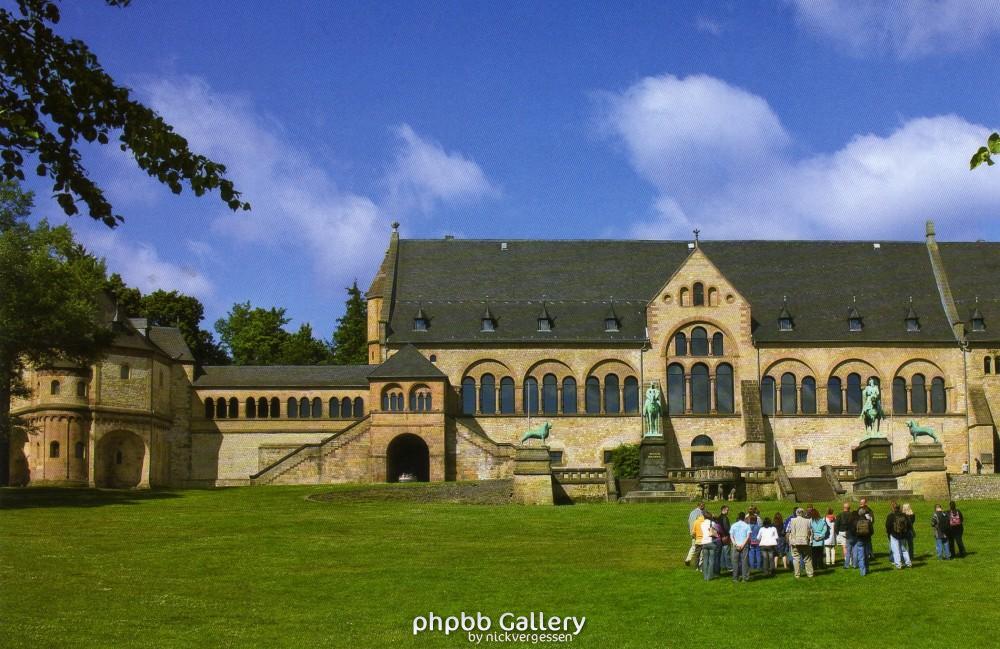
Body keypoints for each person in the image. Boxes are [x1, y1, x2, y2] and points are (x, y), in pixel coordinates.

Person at [885, 502, 913, 569]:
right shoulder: (904, 515)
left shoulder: (890, 516)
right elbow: (909, 525)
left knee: (896, 550)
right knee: (904, 550)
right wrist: (906, 532)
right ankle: (908, 563)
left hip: (894, 535)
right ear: (899, 508)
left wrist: (889, 533)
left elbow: (887, 526)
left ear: (892, 508)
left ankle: (898, 564)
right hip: (903, 535)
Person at [788, 507, 814, 578]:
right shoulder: (807, 521)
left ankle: (797, 574)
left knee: (796, 558)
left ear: (796, 513)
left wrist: (792, 541)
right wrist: (810, 540)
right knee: (807, 559)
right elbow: (810, 532)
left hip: (795, 542)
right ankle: (810, 574)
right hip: (805, 541)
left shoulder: (792, 520)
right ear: (803, 513)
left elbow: (791, 531)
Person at [729, 512, 752, 583]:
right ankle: (745, 578)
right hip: (744, 545)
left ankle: (735, 578)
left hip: (735, 545)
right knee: (744, 562)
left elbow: (731, 536)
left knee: (735, 562)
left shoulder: (733, 525)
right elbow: (748, 537)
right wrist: (743, 544)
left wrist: (735, 544)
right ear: (744, 518)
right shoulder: (747, 526)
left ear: (738, 517)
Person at [851, 506, 874, 576]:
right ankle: (867, 569)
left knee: (861, 556)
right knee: (866, 555)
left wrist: (857, 535)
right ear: (864, 514)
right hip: (867, 540)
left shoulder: (856, 522)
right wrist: (868, 535)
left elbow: (852, 531)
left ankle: (862, 571)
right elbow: (872, 532)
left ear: (859, 514)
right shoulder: (868, 522)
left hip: (859, 540)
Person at [686, 502, 706, 568]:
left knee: (693, 546)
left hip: (692, 531)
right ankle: (699, 564)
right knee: (699, 548)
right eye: (703, 506)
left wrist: (691, 531)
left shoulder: (692, 512)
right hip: (698, 533)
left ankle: (688, 559)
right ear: (700, 506)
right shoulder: (700, 513)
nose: (704, 507)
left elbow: (689, 521)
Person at [700, 512, 719, 581]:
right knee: (711, 560)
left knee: (705, 560)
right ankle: (710, 576)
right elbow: (717, 530)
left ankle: (705, 576)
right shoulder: (712, 523)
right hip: (711, 542)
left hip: (704, 542)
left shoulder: (702, 524)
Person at [835, 502, 853, 568]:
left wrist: (837, 532)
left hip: (841, 532)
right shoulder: (852, 515)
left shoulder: (839, 515)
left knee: (844, 547)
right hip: (850, 532)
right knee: (850, 547)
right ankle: (851, 560)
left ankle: (847, 560)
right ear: (849, 508)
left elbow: (836, 525)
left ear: (843, 508)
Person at [857, 497, 875, 562]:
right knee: (867, 542)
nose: (861, 504)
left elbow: (872, 519)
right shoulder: (858, 509)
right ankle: (868, 554)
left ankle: (869, 554)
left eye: (862, 502)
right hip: (862, 529)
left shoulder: (869, 510)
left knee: (867, 542)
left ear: (865, 503)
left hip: (866, 529)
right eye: (861, 502)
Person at [717, 505, 732, 574]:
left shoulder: (719, 517)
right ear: (723, 510)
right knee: (727, 552)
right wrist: (729, 534)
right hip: (725, 537)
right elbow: (726, 528)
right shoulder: (725, 518)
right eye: (727, 510)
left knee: (722, 553)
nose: (728, 511)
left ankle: (723, 566)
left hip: (720, 537)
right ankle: (729, 567)